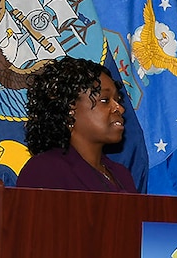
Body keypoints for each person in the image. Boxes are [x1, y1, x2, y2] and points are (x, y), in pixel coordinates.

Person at [14, 57, 138, 192]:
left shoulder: (122, 175)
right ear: (70, 109)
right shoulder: (44, 170)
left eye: (118, 100)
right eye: (105, 100)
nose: (120, 108)